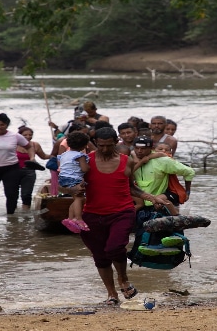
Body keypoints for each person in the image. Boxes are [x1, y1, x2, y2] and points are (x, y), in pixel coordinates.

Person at [59, 127, 166, 306]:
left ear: (116, 142)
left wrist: (152, 198)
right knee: (100, 257)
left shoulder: (127, 161)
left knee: (115, 248)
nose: (106, 149)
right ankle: (111, 294)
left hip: (122, 212)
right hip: (92, 215)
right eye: (101, 146)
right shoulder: (85, 160)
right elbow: (65, 184)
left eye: (109, 145)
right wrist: (71, 190)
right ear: (95, 144)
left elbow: (132, 187)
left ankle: (123, 280)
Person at [132, 136, 194, 211]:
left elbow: (189, 172)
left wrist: (188, 192)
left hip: (159, 199)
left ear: (151, 148)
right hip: (138, 200)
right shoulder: (130, 159)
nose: (139, 151)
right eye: (136, 148)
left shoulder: (163, 161)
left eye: (143, 149)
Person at [58, 131, 91, 233]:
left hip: (63, 178)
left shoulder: (64, 154)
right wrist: (89, 166)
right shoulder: (80, 156)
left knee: (75, 198)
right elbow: (85, 169)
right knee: (79, 198)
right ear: (84, 145)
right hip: (74, 178)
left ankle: (70, 218)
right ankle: (78, 218)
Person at [17, 126, 50, 209]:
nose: (28, 137)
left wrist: (54, 155)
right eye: (25, 135)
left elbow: (43, 156)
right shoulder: (13, 144)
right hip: (14, 171)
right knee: (12, 194)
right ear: (19, 136)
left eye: (30, 135)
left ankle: (26, 213)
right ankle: (13, 210)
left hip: (29, 172)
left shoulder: (35, 145)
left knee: (26, 194)